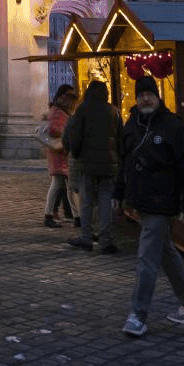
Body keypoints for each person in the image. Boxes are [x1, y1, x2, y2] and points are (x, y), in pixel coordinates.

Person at [116, 75, 184, 336]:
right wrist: (119, 192)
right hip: (140, 201)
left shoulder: (172, 126)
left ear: (157, 96)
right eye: (141, 94)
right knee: (166, 252)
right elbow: (125, 162)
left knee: (146, 258)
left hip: (161, 202)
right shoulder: (132, 123)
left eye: (149, 93)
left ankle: (138, 315)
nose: (145, 97)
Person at [62, 79, 122, 254]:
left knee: (86, 201)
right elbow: (120, 139)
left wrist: (77, 153)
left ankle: (86, 237)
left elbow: (73, 135)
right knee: (105, 202)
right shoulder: (114, 111)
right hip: (109, 164)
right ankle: (106, 240)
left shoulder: (82, 110)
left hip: (87, 164)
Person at [42, 83, 78, 228]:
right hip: (59, 153)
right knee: (59, 185)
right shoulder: (59, 113)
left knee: (66, 186)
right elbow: (54, 130)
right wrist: (67, 136)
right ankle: (49, 215)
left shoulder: (59, 111)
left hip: (60, 153)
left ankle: (76, 216)